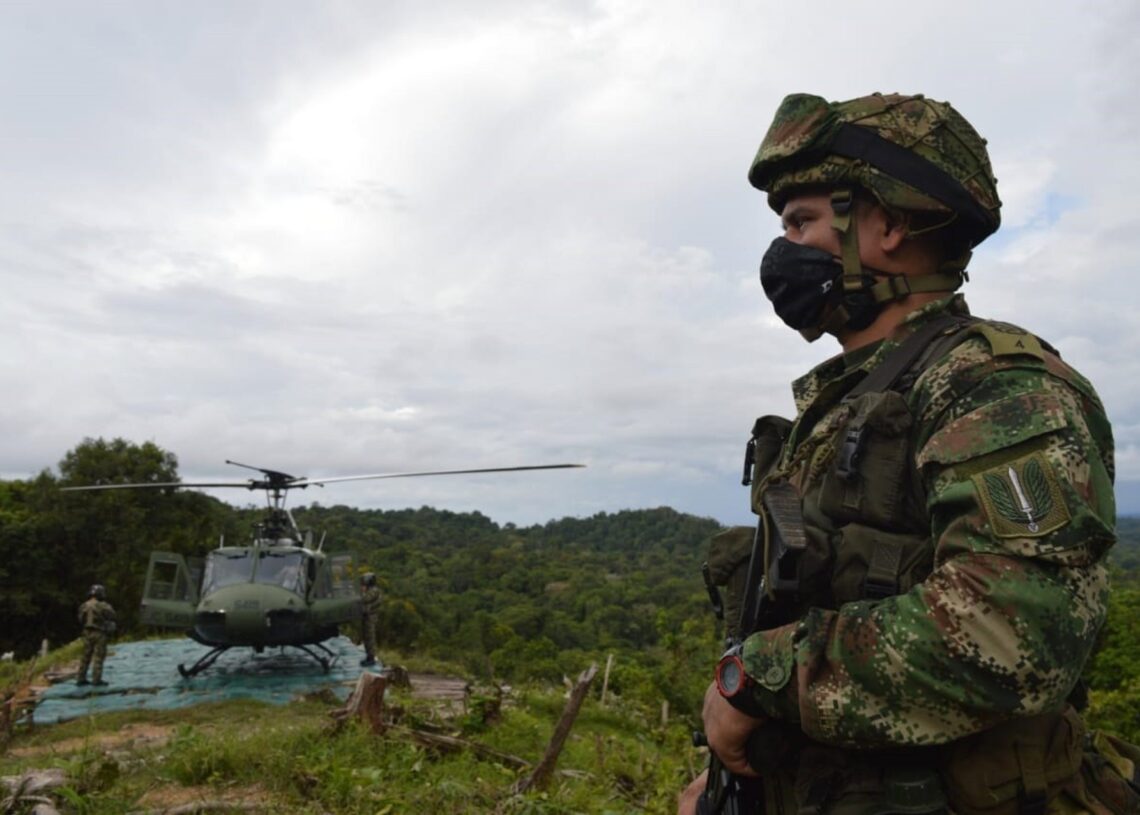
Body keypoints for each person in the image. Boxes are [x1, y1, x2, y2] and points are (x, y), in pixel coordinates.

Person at [679, 93, 1125, 815]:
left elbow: (1016, 631)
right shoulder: (852, 402)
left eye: (802, 221)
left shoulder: (995, 388)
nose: (781, 249)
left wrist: (755, 676)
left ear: (886, 224)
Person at [76, 583, 116, 686]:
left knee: (85, 656)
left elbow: (80, 619)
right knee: (99, 656)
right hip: (99, 632)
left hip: (86, 632)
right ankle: (96, 679)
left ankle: (81, 677)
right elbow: (112, 615)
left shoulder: (84, 605)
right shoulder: (103, 605)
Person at [359, 572, 382, 667]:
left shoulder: (373, 591)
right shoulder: (373, 590)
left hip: (370, 617)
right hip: (368, 616)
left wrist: (362, 591)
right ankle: (369, 656)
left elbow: (364, 599)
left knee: (370, 637)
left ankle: (371, 658)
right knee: (366, 637)